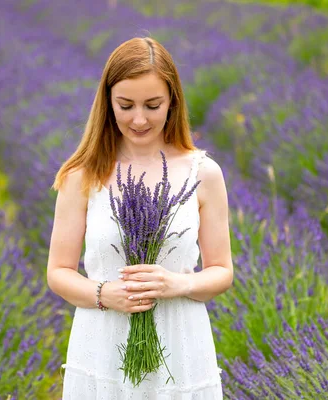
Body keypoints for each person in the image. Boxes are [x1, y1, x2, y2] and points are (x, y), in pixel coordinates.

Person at [47, 36, 233, 399]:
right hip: (103, 341)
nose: (139, 118)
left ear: (173, 102)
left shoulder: (203, 173)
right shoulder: (82, 175)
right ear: (108, 103)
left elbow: (222, 271)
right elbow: (58, 272)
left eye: (153, 104)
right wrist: (105, 294)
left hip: (179, 344)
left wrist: (178, 285)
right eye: (125, 104)